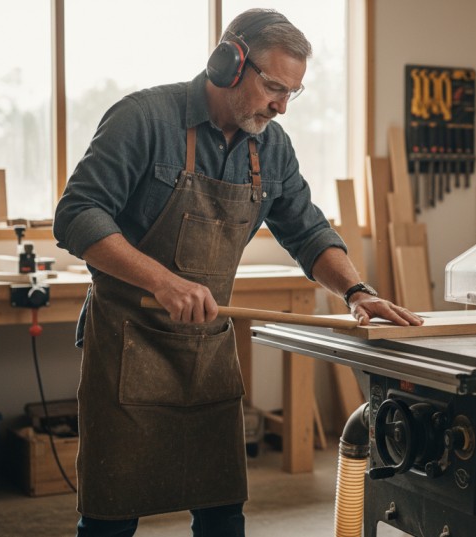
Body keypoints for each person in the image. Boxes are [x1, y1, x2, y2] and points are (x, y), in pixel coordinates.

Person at [53, 8, 422, 537]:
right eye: (274, 87)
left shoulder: (271, 147)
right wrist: (162, 280)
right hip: (127, 346)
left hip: (206, 354)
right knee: (112, 512)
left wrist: (356, 291)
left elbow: (307, 230)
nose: (282, 106)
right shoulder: (143, 119)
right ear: (228, 62)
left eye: (293, 93)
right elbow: (76, 215)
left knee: (222, 509)